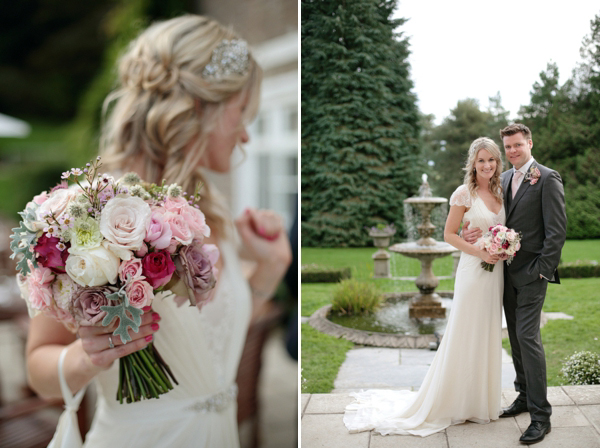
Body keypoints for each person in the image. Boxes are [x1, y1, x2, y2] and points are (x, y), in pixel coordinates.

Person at [25, 15, 291, 447]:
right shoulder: (86, 215)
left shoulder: (207, 210)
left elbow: (211, 344)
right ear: (198, 108)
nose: (245, 135)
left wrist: (270, 268)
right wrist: (85, 356)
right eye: (241, 112)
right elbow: (39, 369)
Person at [344, 137, 505, 437]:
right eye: (481, 160)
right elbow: (449, 235)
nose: (486, 165)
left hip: (497, 274)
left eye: (491, 160)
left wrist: (504, 245)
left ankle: (481, 403)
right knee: (465, 332)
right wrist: (482, 251)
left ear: (498, 163)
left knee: (487, 332)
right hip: (474, 271)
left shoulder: (500, 190)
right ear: (473, 163)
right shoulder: (463, 194)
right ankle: (456, 401)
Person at [463, 123, 566, 444]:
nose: (512, 151)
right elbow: (494, 220)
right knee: (517, 341)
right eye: (507, 147)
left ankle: (541, 416)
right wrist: (473, 235)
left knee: (527, 337)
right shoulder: (503, 179)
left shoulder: (547, 178)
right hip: (503, 274)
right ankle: (523, 397)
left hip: (533, 274)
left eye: (517, 145)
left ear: (529, 143)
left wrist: (541, 270)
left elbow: (557, 231)